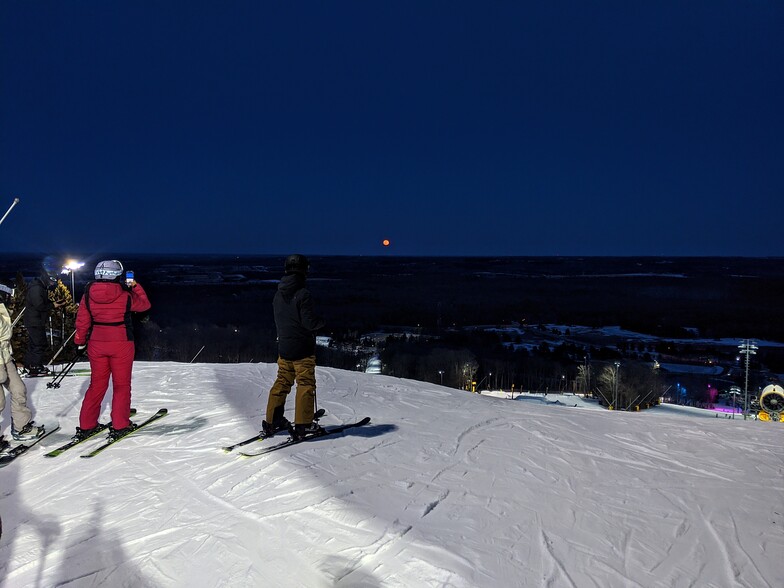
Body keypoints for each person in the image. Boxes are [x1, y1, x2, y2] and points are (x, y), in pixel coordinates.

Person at [73, 260, 151, 440]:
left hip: (96, 343)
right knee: (121, 386)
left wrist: (80, 342)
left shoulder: (87, 294)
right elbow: (145, 305)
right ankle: (120, 424)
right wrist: (135, 286)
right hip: (121, 342)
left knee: (96, 385)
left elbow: (82, 321)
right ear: (117, 274)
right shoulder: (125, 295)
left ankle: (86, 425)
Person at [262, 254, 326, 440]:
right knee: (305, 384)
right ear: (304, 270)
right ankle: (304, 424)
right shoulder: (303, 293)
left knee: (282, 382)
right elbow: (309, 322)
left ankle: (273, 421)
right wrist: (321, 322)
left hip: (284, 346)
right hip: (303, 349)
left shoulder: (278, 294)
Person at [0, 280, 44, 450]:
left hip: (4, 356)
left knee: (18, 389)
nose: (11, 298)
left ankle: (21, 427)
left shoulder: (3, 308)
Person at [23, 266, 63, 376]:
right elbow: (39, 305)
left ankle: (30, 365)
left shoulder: (40, 287)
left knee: (34, 344)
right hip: (35, 320)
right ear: (46, 278)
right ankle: (35, 366)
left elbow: (40, 301)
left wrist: (52, 302)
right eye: (52, 280)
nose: (52, 283)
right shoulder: (37, 288)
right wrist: (52, 305)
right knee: (39, 344)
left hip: (35, 320)